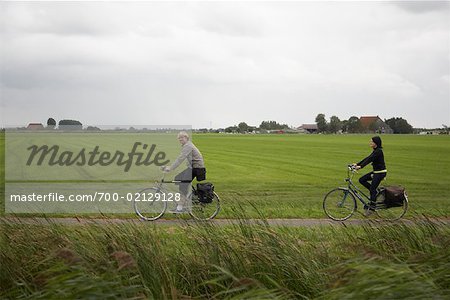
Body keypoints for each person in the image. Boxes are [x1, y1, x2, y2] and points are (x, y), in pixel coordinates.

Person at [162, 131, 206, 213]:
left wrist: (170, 168)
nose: (180, 139)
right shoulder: (186, 145)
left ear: (186, 138)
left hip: (197, 168)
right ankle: (185, 198)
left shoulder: (188, 146)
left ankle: (180, 207)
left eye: (182, 137)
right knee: (178, 178)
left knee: (183, 184)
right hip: (192, 167)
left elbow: (180, 158)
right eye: (179, 138)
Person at [353, 136, 387, 213]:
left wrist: (360, 166)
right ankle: (374, 194)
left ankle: (372, 208)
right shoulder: (375, 151)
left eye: (372, 141)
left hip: (380, 173)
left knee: (372, 189)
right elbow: (367, 158)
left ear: (376, 143)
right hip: (376, 172)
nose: (370, 143)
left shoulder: (378, 151)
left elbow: (370, 160)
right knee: (362, 180)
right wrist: (357, 164)